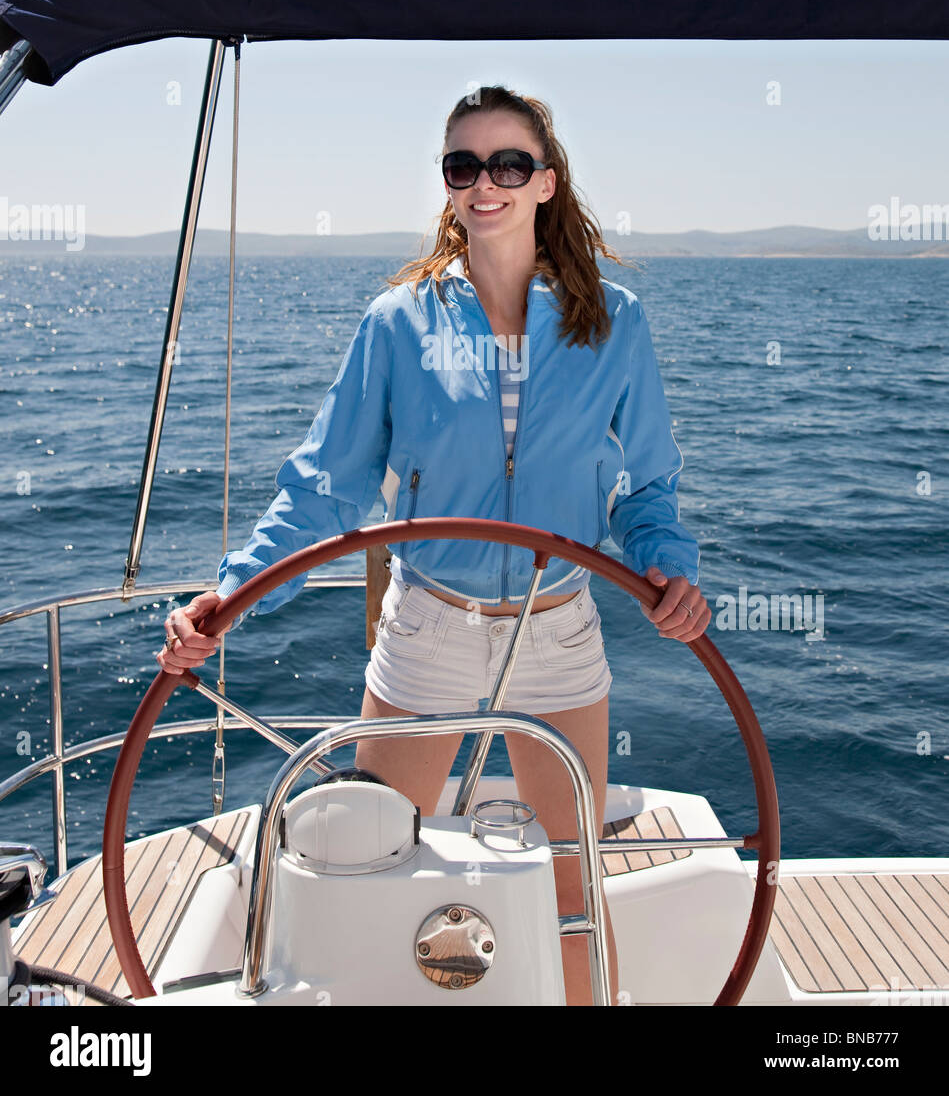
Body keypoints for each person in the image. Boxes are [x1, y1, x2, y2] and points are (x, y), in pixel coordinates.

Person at [157, 84, 710, 1006]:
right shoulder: (398, 323)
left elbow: (646, 487)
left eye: (508, 165)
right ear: (448, 185)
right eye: (464, 166)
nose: (484, 184)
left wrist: (667, 569)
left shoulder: (614, 323)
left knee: (573, 889)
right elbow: (325, 487)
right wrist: (232, 596)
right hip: (428, 629)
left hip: (558, 632)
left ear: (545, 180)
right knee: (370, 866)